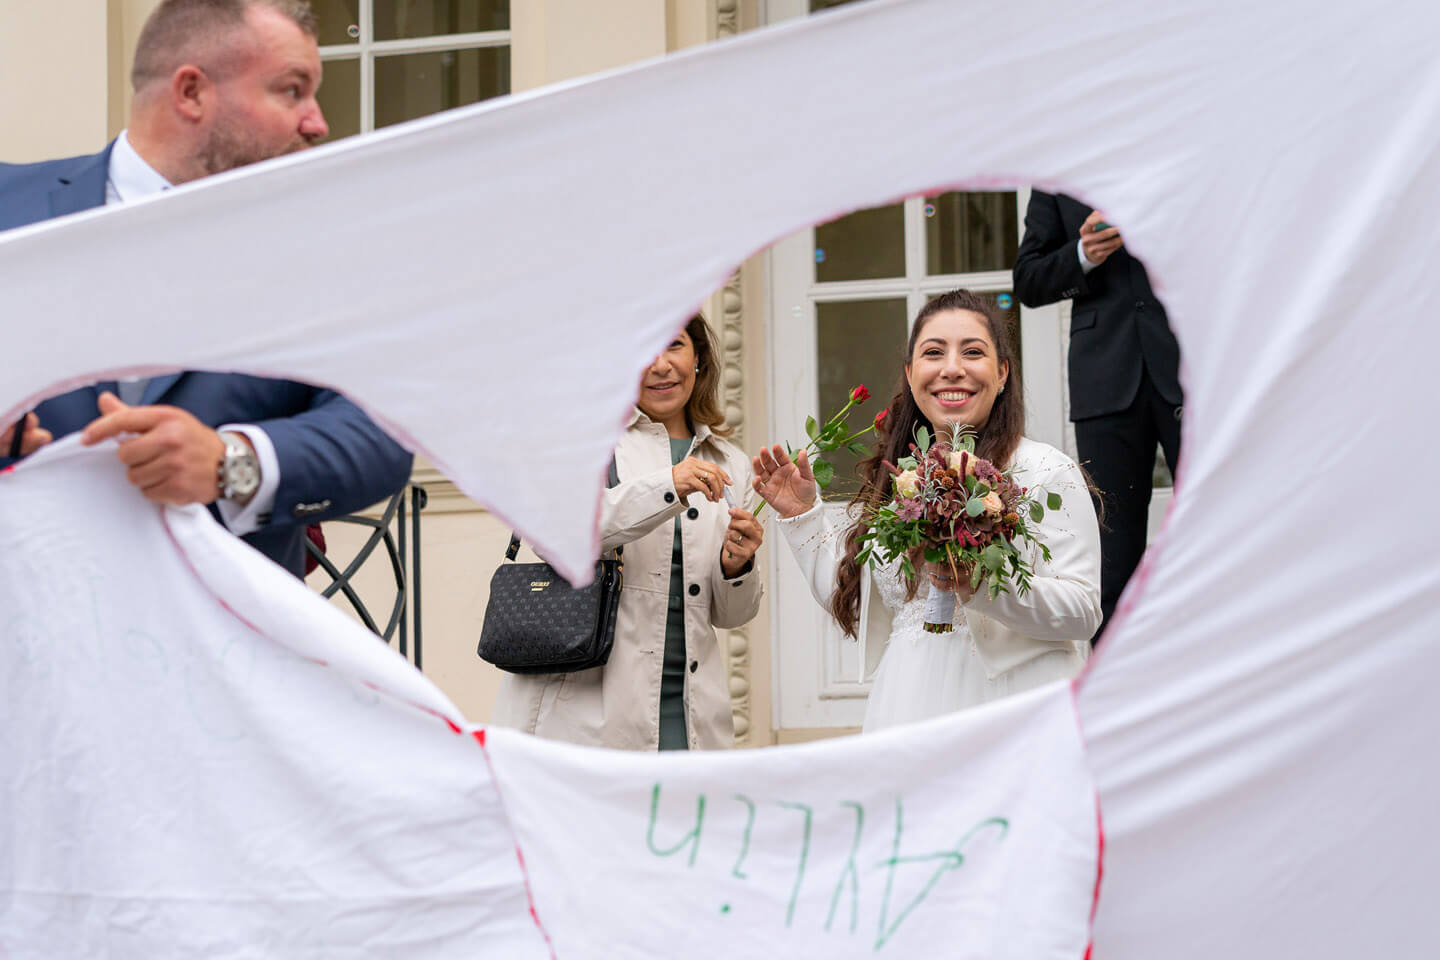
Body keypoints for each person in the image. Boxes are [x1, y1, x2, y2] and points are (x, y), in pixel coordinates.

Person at [0, 0, 411, 578]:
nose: (316, 121)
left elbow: (381, 435)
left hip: (229, 644)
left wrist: (231, 463)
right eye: (292, 91)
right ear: (191, 92)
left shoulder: (325, 250)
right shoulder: (8, 208)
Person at [752, 290, 1100, 731]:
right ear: (911, 374)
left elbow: (1083, 612)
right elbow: (861, 605)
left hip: (1014, 708)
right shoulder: (903, 481)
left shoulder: (1045, 470)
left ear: (1003, 373)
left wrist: (983, 588)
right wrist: (802, 515)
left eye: (973, 352)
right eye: (933, 353)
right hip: (908, 702)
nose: (952, 368)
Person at [493, 315, 763, 751]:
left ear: (699, 359)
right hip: (587, 717)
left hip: (693, 716)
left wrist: (738, 564)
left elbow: (731, 615)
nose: (660, 365)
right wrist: (667, 486)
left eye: (674, 346)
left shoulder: (730, 462)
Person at [1012, 190, 1183, 637]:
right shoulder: (1054, 175)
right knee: (1112, 546)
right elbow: (1028, 280)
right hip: (1104, 376)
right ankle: (1116, 688)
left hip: (1193, 359)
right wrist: (1082, 255)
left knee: (1220, 522)